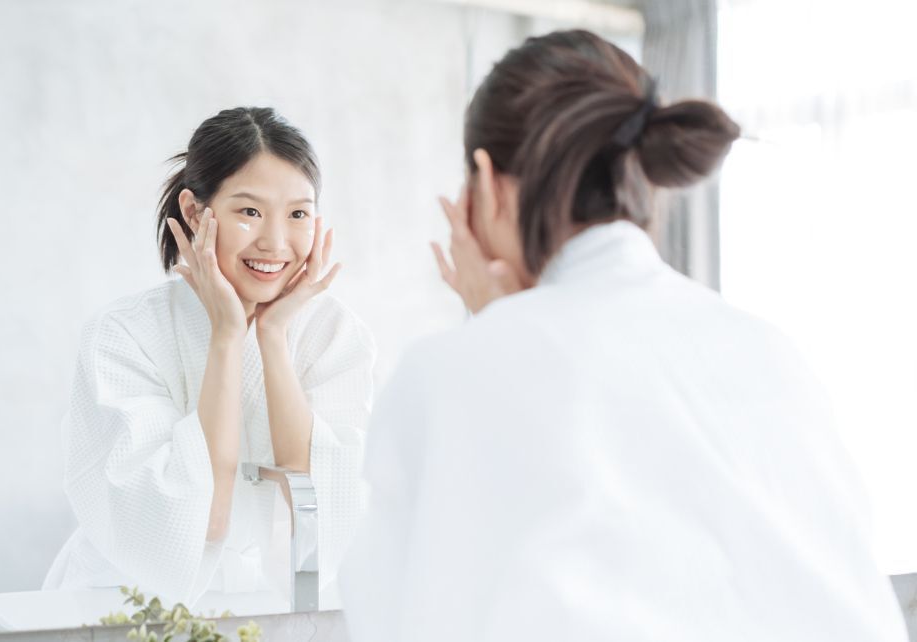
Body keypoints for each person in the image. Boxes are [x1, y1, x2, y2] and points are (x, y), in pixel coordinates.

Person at [340, 30, 907, 641]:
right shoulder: (767, 350)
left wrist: (496, 325)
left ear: (486, 181)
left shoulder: (454, 373)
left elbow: (395, 614)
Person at [43, 107, 375, 605]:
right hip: (124, 599)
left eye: (298, 214)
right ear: (196, 212)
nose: (276, 242)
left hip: (275, 604)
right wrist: (226, 336)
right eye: (250, 212)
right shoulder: (122, 336)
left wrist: (274, 337)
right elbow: (196, 522)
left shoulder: (334, 333)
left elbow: (327, 518)